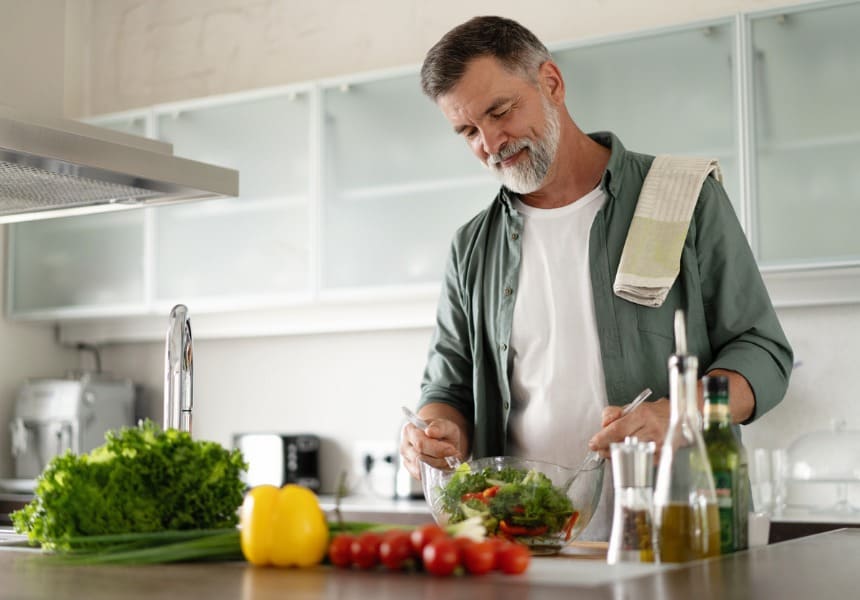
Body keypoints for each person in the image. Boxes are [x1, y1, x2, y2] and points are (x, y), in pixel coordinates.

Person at [399, 15, 793, 539]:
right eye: (468, 131)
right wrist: (437, 429)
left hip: (676, 531)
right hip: (524, 543)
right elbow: (447, 383)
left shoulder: (681, 197)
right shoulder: (472, 246)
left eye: (500, 111)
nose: (491, 142)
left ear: (552, 83)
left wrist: (680, 412)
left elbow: (763, 353)